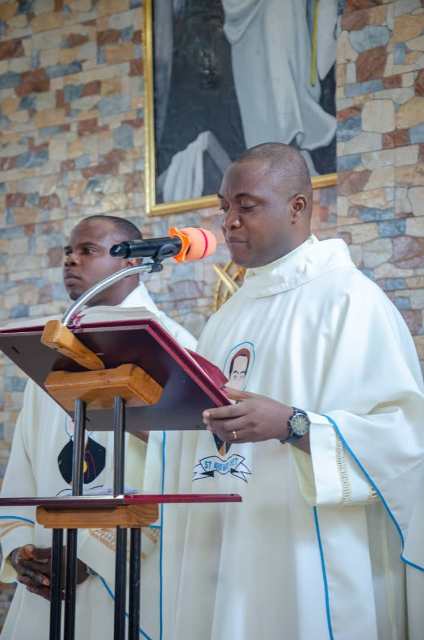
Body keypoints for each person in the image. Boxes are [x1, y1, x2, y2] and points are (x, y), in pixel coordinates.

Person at [140, 143, 424, 640]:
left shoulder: (349, 301)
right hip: (225, 545)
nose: (229, 221)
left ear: (297, 207)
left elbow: (403, 437)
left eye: (246, 206)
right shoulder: (226, 316)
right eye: (224, 206)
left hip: (305, 552)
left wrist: (293, 425)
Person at [0, 215, 196, 639]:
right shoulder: (49, 349)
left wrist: (91, 552)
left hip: (129, 568)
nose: (71, 260)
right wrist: (19, 548)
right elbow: (25, 460)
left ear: (131, 261)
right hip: (45, 568)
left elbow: (184, 464)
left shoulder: (173, 347)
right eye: (68, 252)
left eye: (87, 250)